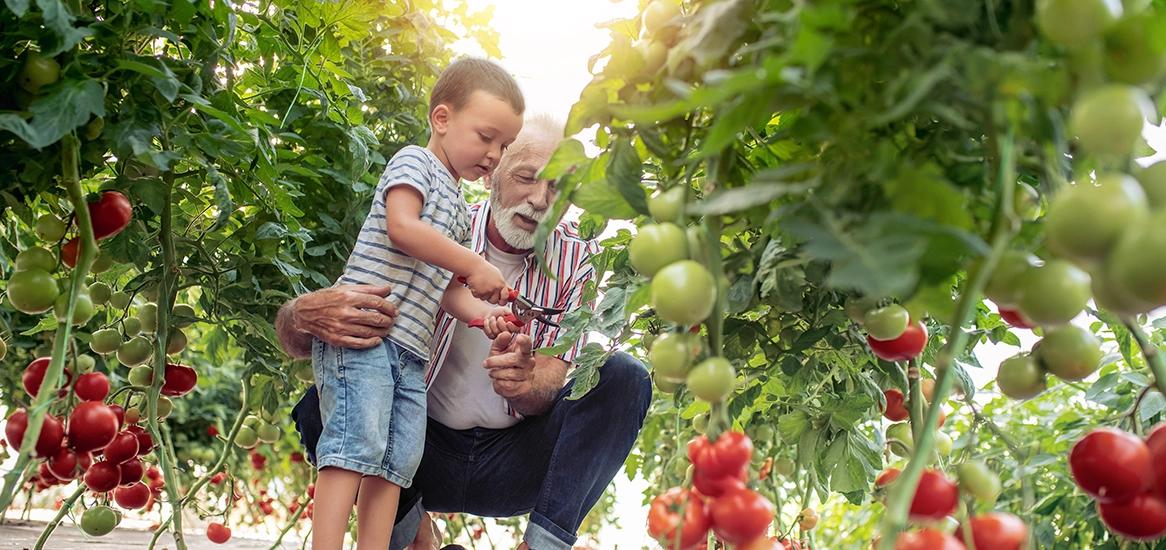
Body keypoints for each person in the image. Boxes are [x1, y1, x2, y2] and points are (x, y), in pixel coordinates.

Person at [277, 114, 653, 550]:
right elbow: (334, 322)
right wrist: (299, 315)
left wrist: (526, 382)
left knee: (625, 376)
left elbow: (556, 374)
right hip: (418, 451)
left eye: (558, 188)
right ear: (492, 175)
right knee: (320, 406)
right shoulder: (436, 228)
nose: (539, 199)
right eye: (526, 177)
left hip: (514, 466)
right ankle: (414, 534)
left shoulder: (581, 258)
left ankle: (540, 547)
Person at [308, 58, 526, 550]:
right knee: (352, 446)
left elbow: (447, 290)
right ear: (442, 119)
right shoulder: (414, 162)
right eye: (486, 136)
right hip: (365, 333)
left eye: (505, 146)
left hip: (409, 353)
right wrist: (474, 262)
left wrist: (488, 314)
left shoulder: (456, 204)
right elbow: (402, 228)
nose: (494, 154)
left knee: (397, 461)